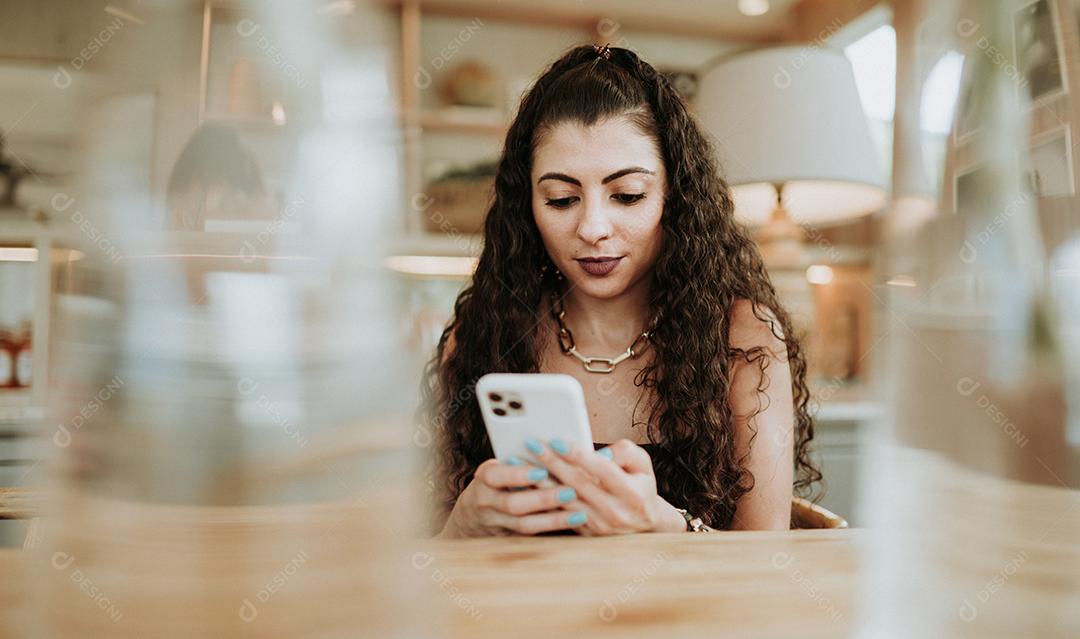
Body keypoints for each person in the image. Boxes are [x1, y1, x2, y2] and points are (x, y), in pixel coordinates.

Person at [421, 44, 821, 538]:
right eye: (562, 199)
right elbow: (417, 562)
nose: (592, 227)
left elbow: (768, 563)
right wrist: (459, 528)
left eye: (627, 195)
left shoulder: (745, 338)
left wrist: (668, 528)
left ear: (673, 196)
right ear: (528, 205)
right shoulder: (484, 330)